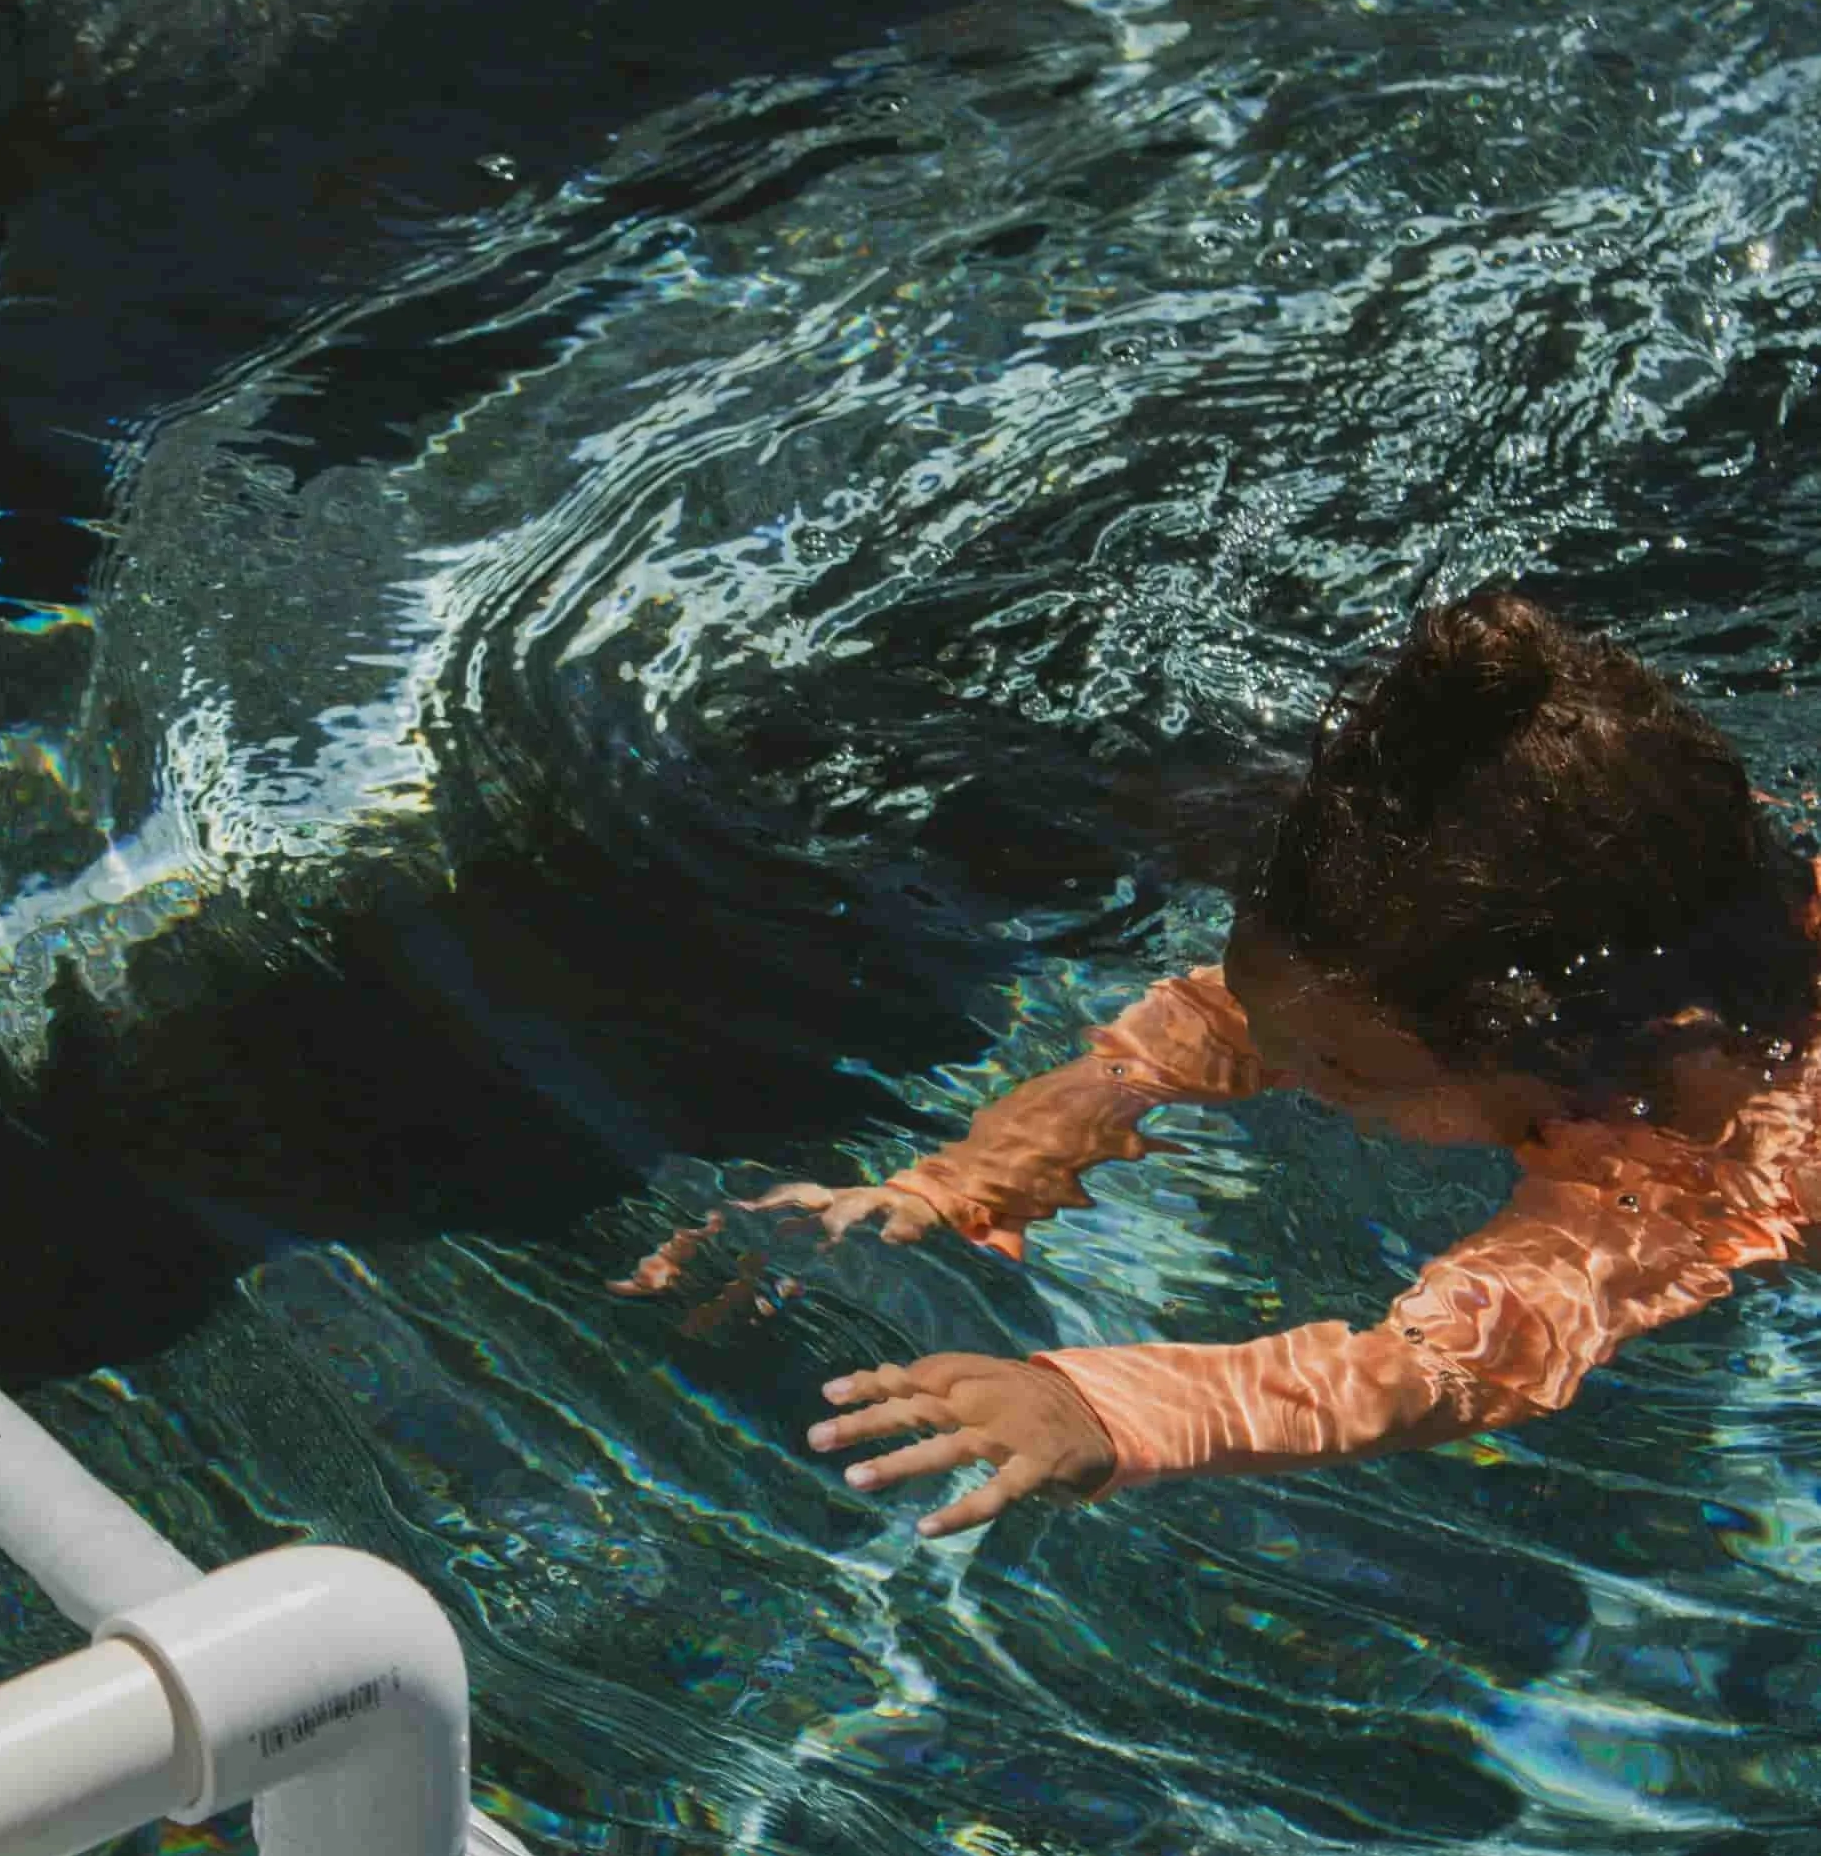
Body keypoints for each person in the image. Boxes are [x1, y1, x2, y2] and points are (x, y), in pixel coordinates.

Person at [621, 593, 1821, 1537]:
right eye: (1278, 1026)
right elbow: (1196, 1032)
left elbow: (1457, 1363)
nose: (1292, 1069)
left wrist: (1117, 1405)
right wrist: (944, 1189)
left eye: (1340, 1070)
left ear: (1547, 1053)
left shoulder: (1694, 1170)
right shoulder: (1515, 955)